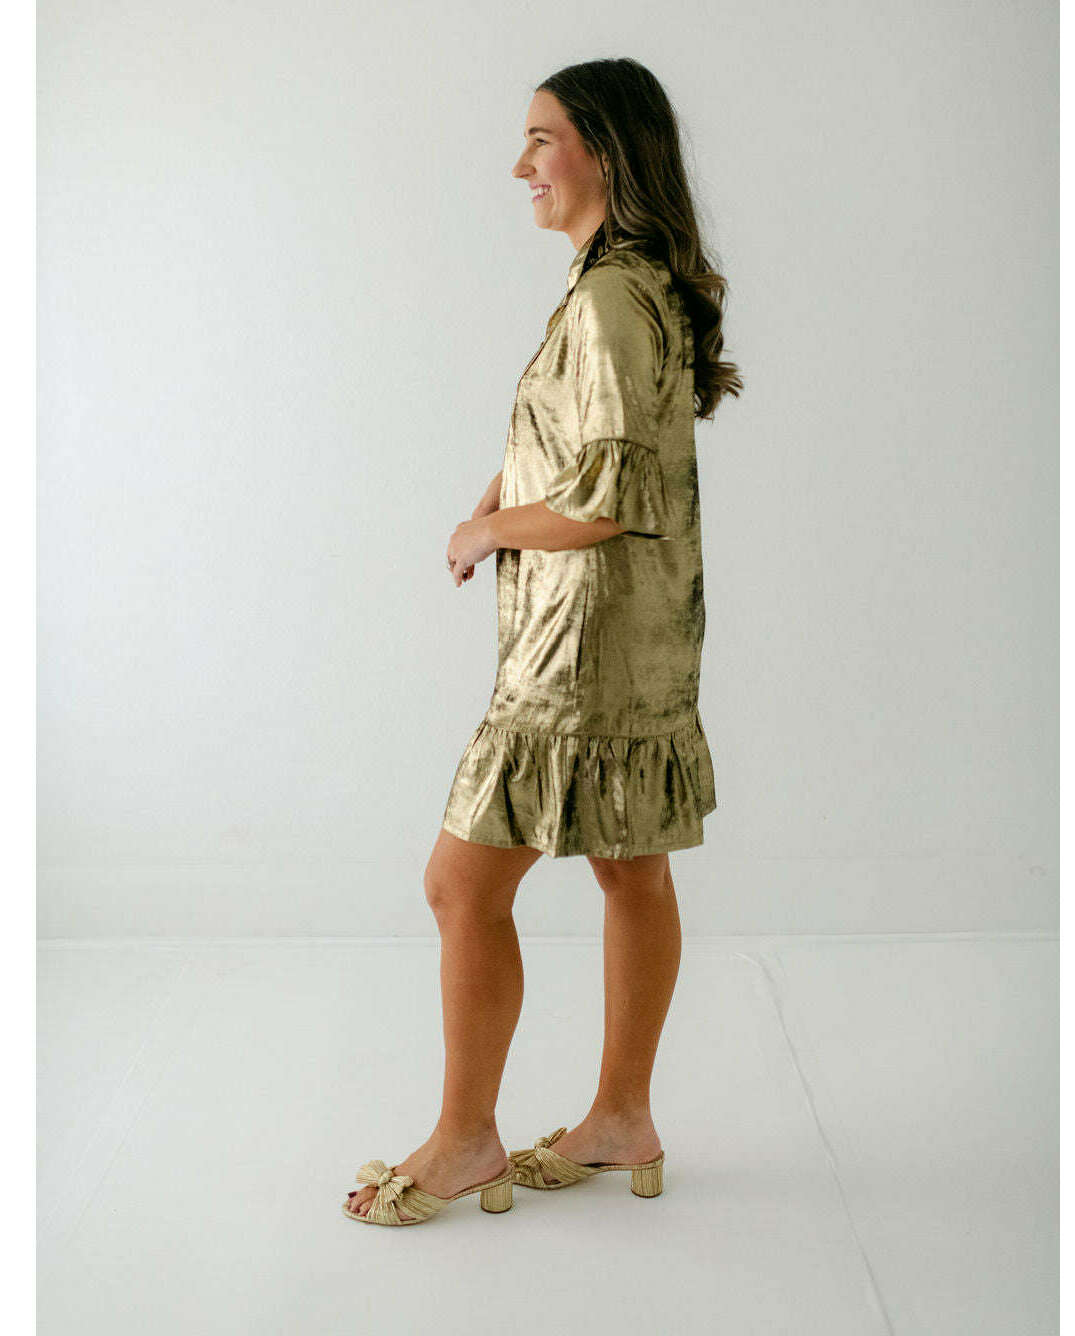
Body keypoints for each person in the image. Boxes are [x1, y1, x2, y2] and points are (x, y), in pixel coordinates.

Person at [345, 58, 742, 1223]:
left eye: (541, 138)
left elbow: (608, 499)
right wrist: (505, 490)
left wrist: (486, 528)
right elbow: (590, 452)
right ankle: (621, 1118)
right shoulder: (629, 283)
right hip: (640, 638)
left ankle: (465, 1140)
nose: (521, 163)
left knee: (458, 883)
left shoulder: (611, 298)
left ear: (605, 153)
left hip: (578, 654)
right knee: (631, 869)